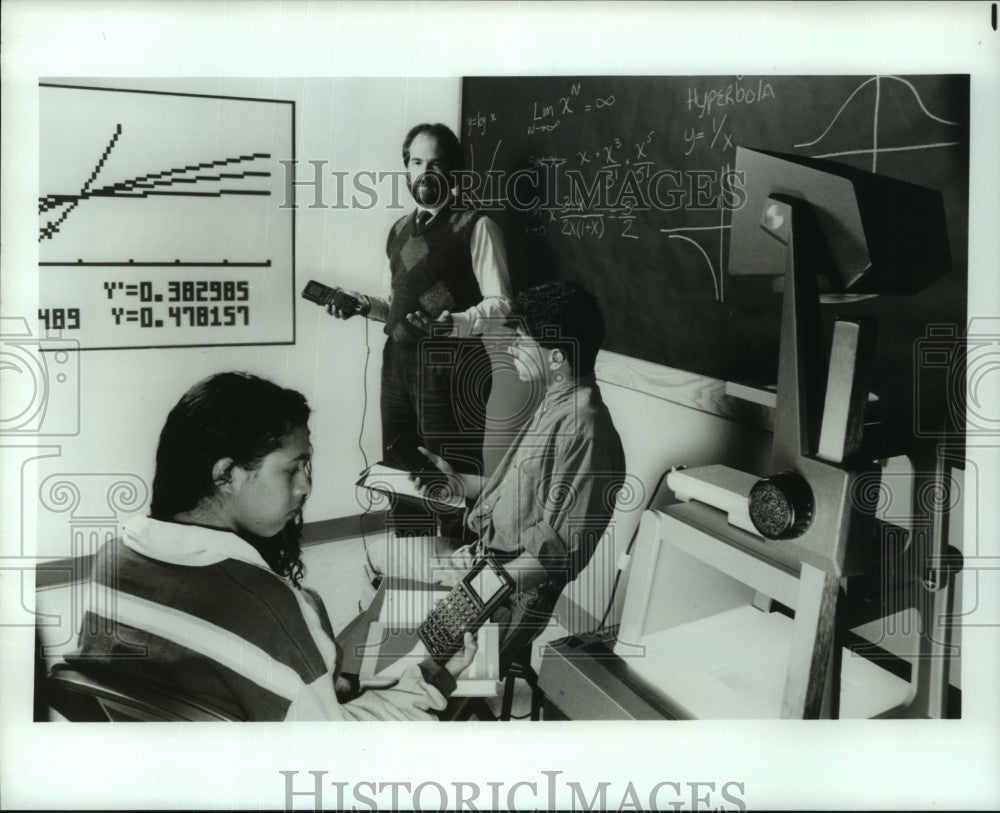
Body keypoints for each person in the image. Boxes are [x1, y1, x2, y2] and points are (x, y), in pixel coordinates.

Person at [61, 372, 474, 722]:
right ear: (225, 475)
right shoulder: (269, 610)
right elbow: (336, 752)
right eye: (292, 469)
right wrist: (431, 678)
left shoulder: (112, 559)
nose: (306, 485)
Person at [369, 281, 627, 664]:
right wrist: (455, 481)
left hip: (510, 594)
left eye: (521, 340)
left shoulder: (585, 430)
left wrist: (473, 585)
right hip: (483, 560)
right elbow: (517, 491)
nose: (511, 347)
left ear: (557, 357)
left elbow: (554, 557)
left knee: (395, 659)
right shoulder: (555, 404)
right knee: (379, 560)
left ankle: (424, 667)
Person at [327, 122, 512, 535]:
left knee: (451, 476)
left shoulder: (477, 226)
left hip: (453, 368)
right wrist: (361, 305)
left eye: (436, 164)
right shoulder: (397, 231)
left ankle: (458, 563)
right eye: (416, 162)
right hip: (397, 368)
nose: (425, 172)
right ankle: (411, 557)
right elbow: (394, 306)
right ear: (407, 169)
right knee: (403, 470)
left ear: (454, 171)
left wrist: (454, 323)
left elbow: (502, 304)